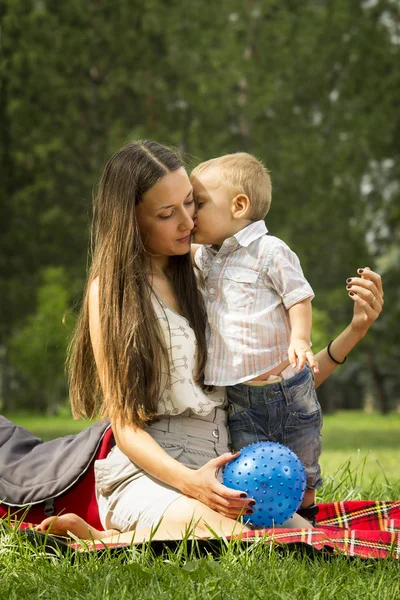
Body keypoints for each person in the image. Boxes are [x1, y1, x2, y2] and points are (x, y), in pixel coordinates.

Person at [36, 141, 384, 544]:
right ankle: (104, 539)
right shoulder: (113, 293)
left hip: (226, 468)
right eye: (167, 214)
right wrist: (193, 484)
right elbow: (126, 427)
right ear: (131, 220)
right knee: (234, 536)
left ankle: (112, 538)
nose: (188, 222)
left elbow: (278, 389)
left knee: (302, 537)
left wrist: (355, 330)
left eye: (191, 204)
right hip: (153, 473)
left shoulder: (212, 271)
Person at [190, 152, 321, 522]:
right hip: (239, 393)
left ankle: (307, 511)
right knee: (247, 458)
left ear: (239, 205)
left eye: (198, 203)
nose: (192, 213)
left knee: (304, 450)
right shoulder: (207, 257)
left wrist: (300, 339)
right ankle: (258, 518)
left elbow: (299, 296)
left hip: (287, 387)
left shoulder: (270, 250)